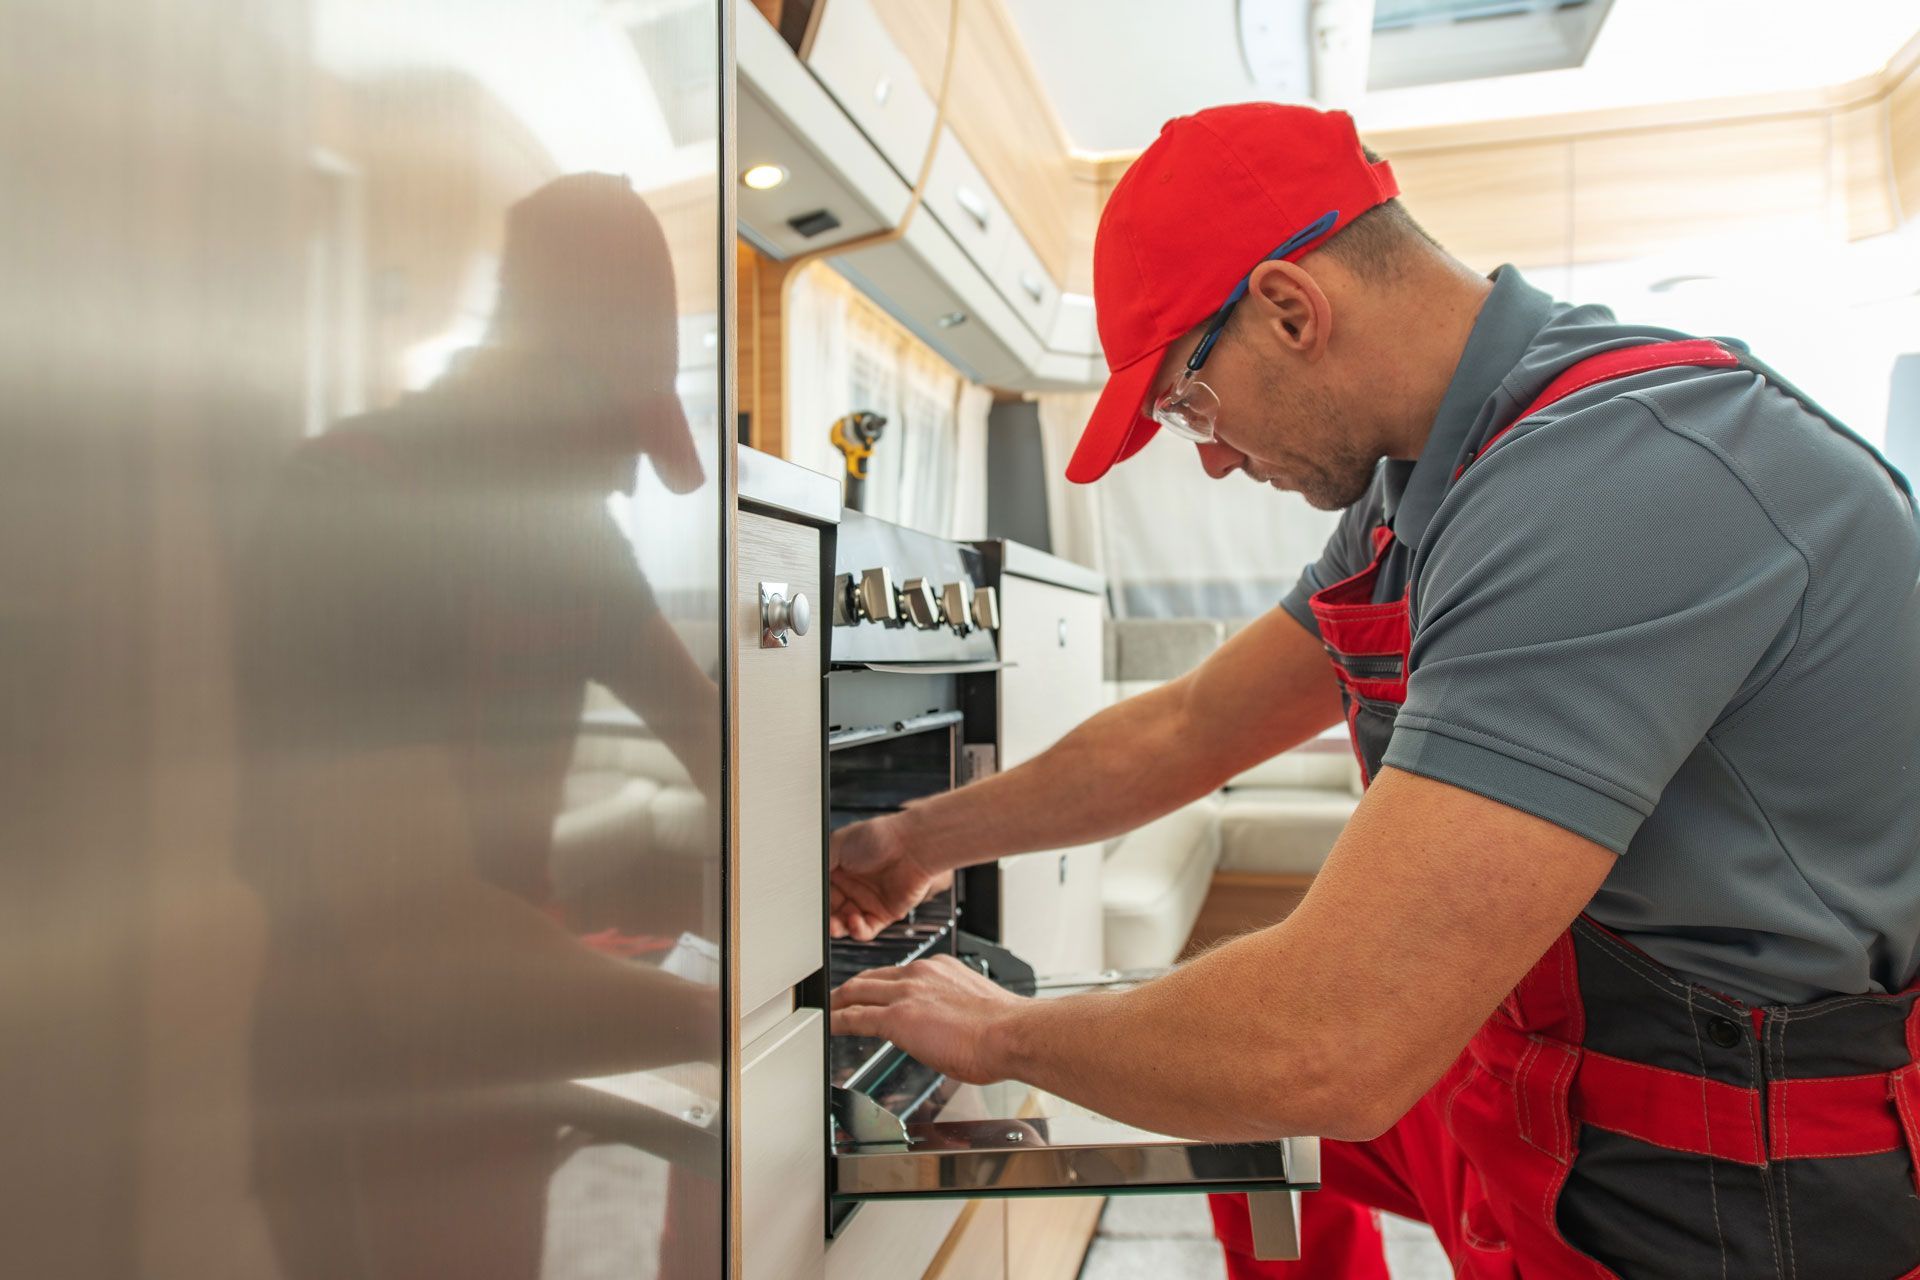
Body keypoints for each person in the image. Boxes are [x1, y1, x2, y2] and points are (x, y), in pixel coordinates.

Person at [829, 103, 1920, 1278]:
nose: (1206, 452)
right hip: (1538, 1063)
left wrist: (1001, 1034)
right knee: (1232, 1096)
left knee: (1265, 1065)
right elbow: (1191, 724)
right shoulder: (1425, 484)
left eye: (1189, 403)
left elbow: (1327, 1042)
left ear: (1292, 307)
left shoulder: (1624, 484)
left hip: (1728, 1180)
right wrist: (911, 836)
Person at [235, 173, 721, 1280]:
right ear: (537, 380)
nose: (624, 474)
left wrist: (843, 860)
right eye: (616, 430)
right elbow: (414, 941)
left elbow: (707, 730)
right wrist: (735, 1014)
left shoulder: (574, 529)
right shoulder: (349, 512)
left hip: (499, 1025)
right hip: (354, 1058)